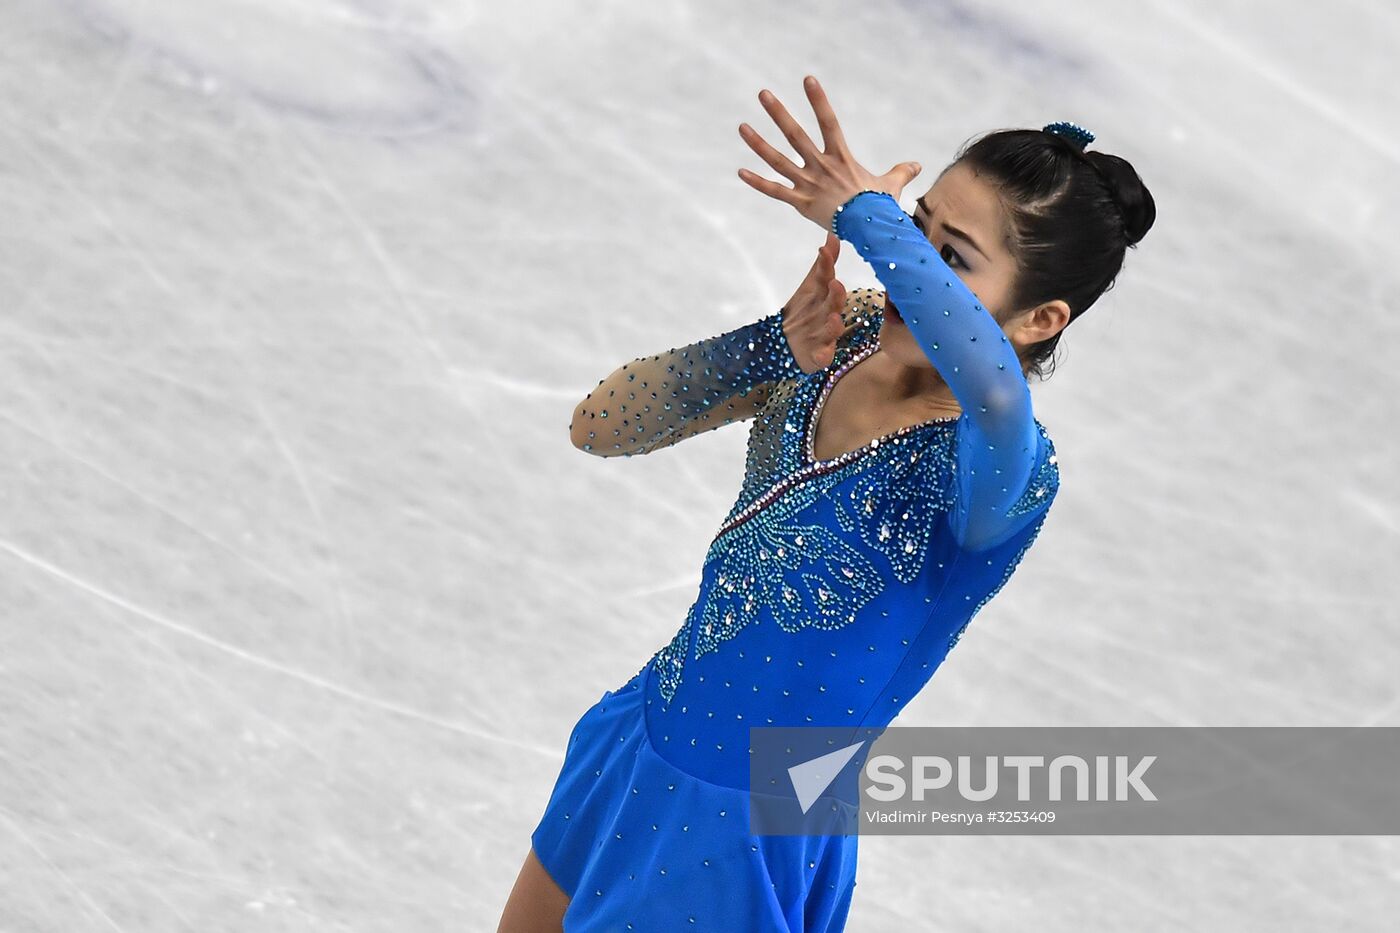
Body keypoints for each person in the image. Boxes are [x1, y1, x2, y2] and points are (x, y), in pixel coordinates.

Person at [497, 75, 1155, 932]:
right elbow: (601, 425)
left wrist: (868, 217)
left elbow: (993, 390)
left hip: (747, 826)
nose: (904, 265)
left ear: (1039, 319)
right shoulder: (847, 339)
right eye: (916, 225)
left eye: (948, 257)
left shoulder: (1000, 468)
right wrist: (766, 346)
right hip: (637, 740)